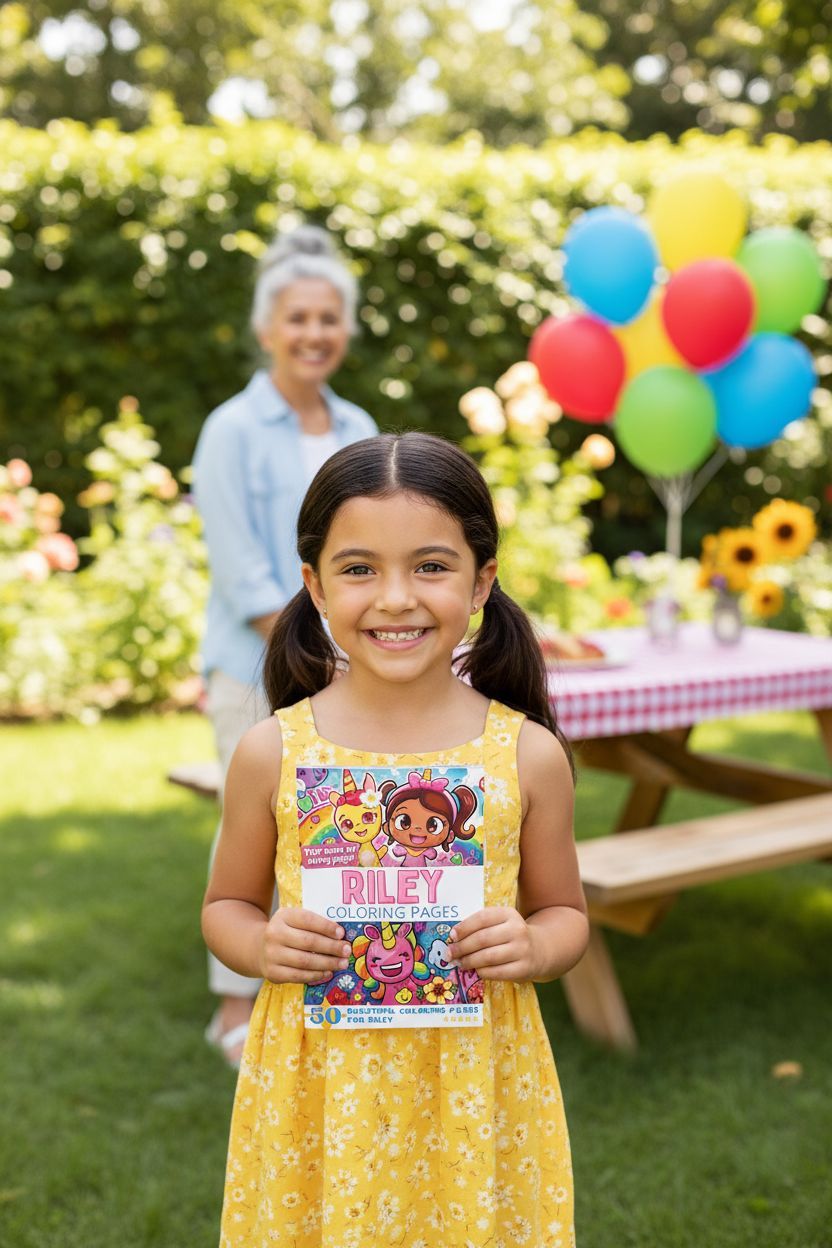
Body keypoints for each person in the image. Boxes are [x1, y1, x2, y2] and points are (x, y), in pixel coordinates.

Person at [202, 431, 589, 1246]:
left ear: (482, 579)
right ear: (313, 585)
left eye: (431, 565)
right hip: (317, 1090)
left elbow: (565, 915)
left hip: (477, 1086)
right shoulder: (274, 750)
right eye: (358, 568)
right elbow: (227, 905)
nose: (396, 598)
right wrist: (264, 943)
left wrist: (534, 945)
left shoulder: (526, 755)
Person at [193, 225, 377, 1068]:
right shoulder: (230, 430)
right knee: (255, 831)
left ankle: (344, 979)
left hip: (346, 662)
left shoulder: (360, 425)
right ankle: (233, 1008)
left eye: (329, 318)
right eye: (297, 317)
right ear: (268, 328)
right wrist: (329, 653)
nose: (314, 333)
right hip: (255, 668)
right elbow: (243, 571)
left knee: (334, 828)